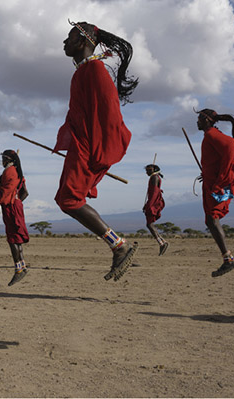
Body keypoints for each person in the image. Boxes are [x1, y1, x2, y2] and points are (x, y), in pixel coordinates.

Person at [53, 21, 139, 282]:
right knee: (66, 199)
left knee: (69, 199)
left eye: (68, 37)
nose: (64, 42)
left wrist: (98, 154)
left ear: (82, 41)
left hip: (88, 148)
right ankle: (118, 245)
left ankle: (120, 245)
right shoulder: (83, 72)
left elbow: (111, 117)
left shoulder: (95, 71)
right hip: (81, 147)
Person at [196, 108, 234, 277]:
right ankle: (227, 258)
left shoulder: (211, 135)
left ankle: (228, 259)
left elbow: (229, 146)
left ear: (207, 119)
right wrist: (208, 173)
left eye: (200, 118)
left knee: (212, 218)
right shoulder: (209, 135)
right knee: (209, 219)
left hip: (218, 185)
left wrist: (220, 180)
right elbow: (216, 158)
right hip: (212, 182)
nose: (197, 121)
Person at [0, 150, 30, 286]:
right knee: (16, 238)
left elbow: (6, 191)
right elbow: (25, 193)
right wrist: (17, 201)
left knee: (12, 238)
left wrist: (11, 201)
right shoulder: (17, 172)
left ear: (7, 159)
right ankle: (22, 267)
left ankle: (19, 269)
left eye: (3, 158)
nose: (2, 161)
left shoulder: (9, 172)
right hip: (16, 205)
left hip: (11, 206)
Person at [143, 164, 168, 255]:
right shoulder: (154, 177)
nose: (147, 172)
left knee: (149, 224)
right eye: (146, 170)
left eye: (149, 170)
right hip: (153, 202)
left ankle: (162, 243)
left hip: (154, 202)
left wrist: (149, 205)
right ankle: (162, 242)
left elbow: (154, 193)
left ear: (154, 170)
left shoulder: (154, 178)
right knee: (150, 224)